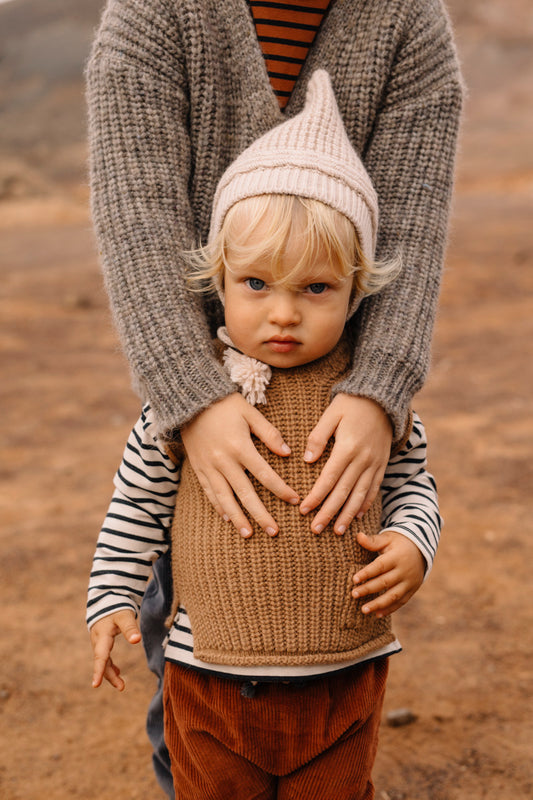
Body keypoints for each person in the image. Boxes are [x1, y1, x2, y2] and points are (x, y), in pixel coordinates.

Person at [86, 1, 462, 793]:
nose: (284, 312)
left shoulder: (406, 21)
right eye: (258, 285)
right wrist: (193, 398)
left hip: (342, 656)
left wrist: (376, 393)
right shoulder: (158, 12)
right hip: (208, 610)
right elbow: (137, 211)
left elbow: (411, 225)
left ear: (350, 287)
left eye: (313, 291)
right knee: (191, 718)